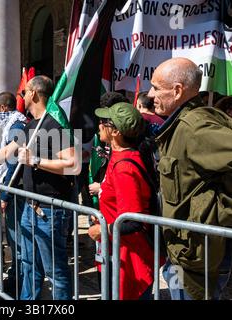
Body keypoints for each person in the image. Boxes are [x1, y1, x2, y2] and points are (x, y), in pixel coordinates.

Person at [0, 76, 81, 300]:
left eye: (24, 92)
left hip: (50, 210)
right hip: (29, 207)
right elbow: (6, 152)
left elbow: (73, 164)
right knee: (28, 264)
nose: (22, 96)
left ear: (34, 93)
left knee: (54, 270)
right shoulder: (31, 125)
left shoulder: (53, 124)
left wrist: (35, 161)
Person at [147, 57, 232, 300]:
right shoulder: (182, 124)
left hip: (198, 258)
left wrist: (223, 212)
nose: (150, 94)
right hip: (187, 252)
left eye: (156, 88)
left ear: (176, 91)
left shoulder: (193, 126)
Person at [87, 102, 155, 300]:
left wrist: (103, 229)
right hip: (117, 252)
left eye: (103, 122)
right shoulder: (117, 156)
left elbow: (134, 221)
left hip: (129, 258)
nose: (98, 125)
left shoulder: (125, 167)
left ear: (115, 131)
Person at [0, 92, 26, 286]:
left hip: (14, 193)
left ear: (3, 109)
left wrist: (4, 195)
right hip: (12, 190)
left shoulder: (16, 126)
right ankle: (16, 277)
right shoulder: (13, 125)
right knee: (15, 238)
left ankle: (18, 281)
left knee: (16, 239)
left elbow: (12, 164)